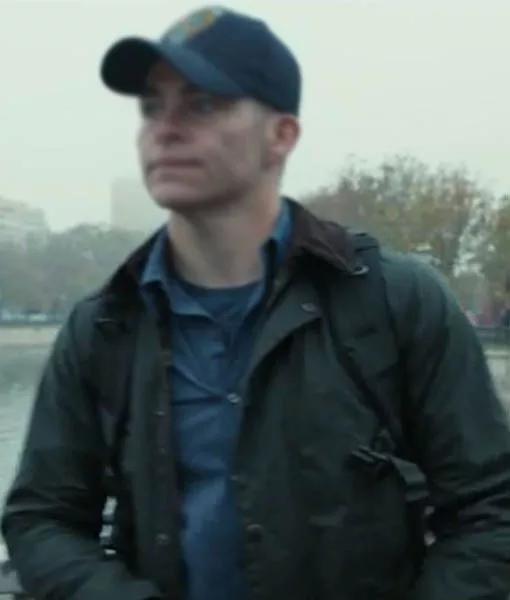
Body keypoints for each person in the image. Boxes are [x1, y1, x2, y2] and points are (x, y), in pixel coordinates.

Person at [3, 6, 510, 600]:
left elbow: (492, 506)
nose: (165, 128)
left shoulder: (394, 301)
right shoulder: (104, 325)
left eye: (202, 105)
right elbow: (42, 518)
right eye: (151, 107)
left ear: (282, 135)